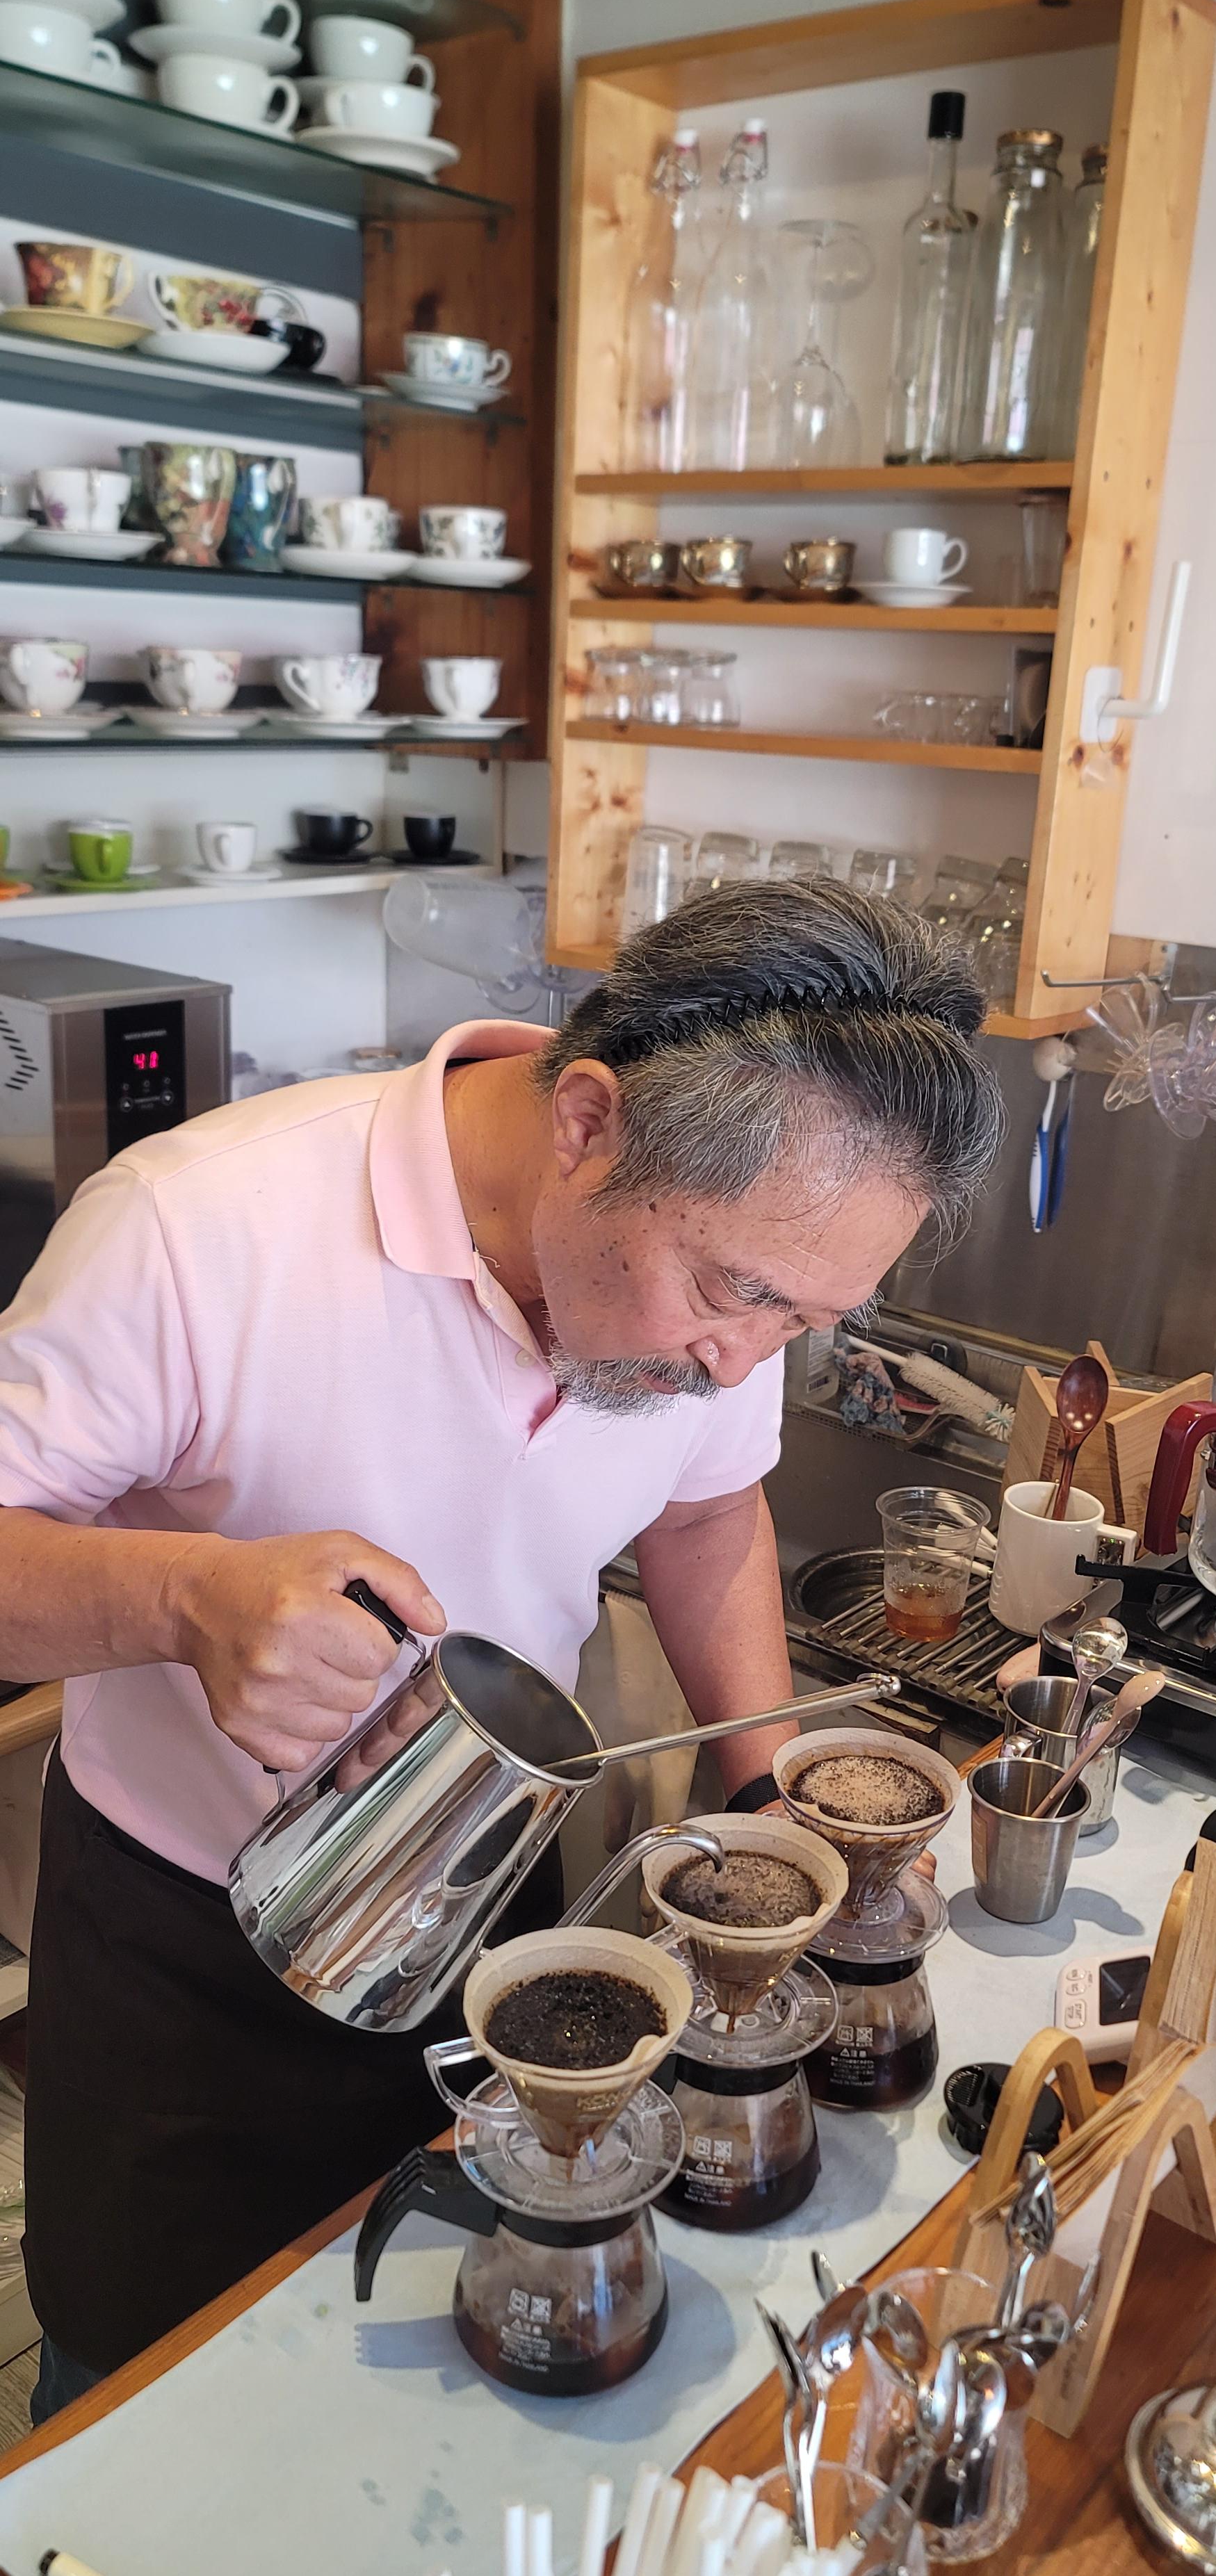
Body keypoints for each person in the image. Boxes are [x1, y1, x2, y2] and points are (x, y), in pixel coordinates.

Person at [0, 877, 1001, 2418]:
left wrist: (765, 1790)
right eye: (730, 1293)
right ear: (588, 1121)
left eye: (803, 1322)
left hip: (499, 1889)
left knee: (474, 2364)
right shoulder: (195, 1224)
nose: (738, 1359)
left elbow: (706, 1514)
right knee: (146, 2402)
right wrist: (183, 1600)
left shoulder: (740, 1262)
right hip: (186, 1954)